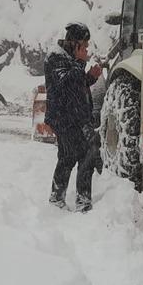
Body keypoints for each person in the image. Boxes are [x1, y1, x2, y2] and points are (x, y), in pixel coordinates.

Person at [45, 22, 102, 212]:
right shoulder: (56, 57)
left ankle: (73, 199)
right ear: (74, 43)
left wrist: (91, 77)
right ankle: (62, 199)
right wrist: (79, 62)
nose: (86, 49)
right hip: (64, 118)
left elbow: (77, 84)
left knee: (82, 155)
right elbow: (65, 85)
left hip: (75, 117)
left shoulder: (68, 57)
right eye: (84, 45)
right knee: (71, 156)